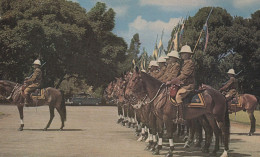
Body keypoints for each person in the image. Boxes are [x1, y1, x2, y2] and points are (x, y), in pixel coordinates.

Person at [167, 45, 195, 124]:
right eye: (182, 53)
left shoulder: (190, 63)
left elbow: (184, 75)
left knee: (178, 96)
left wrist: (172, 81)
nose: (182, 55)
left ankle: (181, 117)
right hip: (183, 85)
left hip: (189, 85)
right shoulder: (184, 63)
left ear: (188, 54)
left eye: (183, 53)